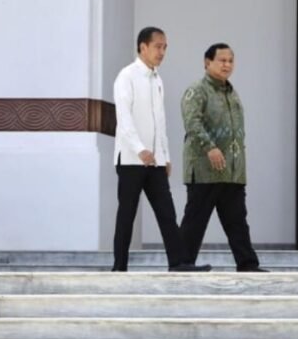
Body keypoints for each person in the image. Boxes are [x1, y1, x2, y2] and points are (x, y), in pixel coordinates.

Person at [112, 27, 211, 272]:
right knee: (127, 214)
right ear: (142, 47)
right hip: (131, 161)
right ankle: (119, 267)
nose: (162, 51)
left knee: (167, 213)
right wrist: (140, 149)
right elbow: (124, 119)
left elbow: (160, 122)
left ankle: (178, 262)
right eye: (158, 46)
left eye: (165, 47)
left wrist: (164, 156)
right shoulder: (127, 76)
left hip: (155, 162)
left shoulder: (157, 79)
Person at [179, 43, 266, 272]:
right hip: (205, 169)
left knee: (237, 222)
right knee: (195, 221)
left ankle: (248, 264)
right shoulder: (197, 90)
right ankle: (181, 263)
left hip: (232, 172)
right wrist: (210, 147)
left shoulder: (232, 93)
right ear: (207, 62)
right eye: (222, 60)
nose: (227, 65)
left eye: (230, 60)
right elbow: (192, 123)